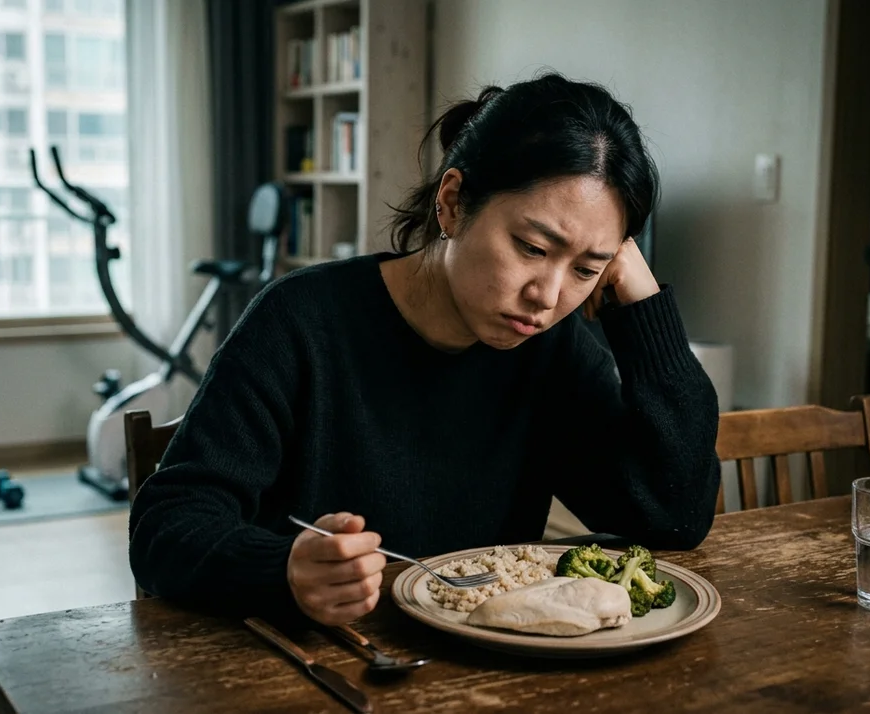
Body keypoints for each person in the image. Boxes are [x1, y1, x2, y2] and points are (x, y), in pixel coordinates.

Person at [130, 71, 721, 627]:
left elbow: (676, 517)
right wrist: (281, 568)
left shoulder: (551, 350)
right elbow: (166, 527)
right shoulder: (301, 320)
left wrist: (644, 309)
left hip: (483, 671)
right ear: (454, 202)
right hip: (316, 662)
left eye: (588, 268)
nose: (546, 296)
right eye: (532, 248)